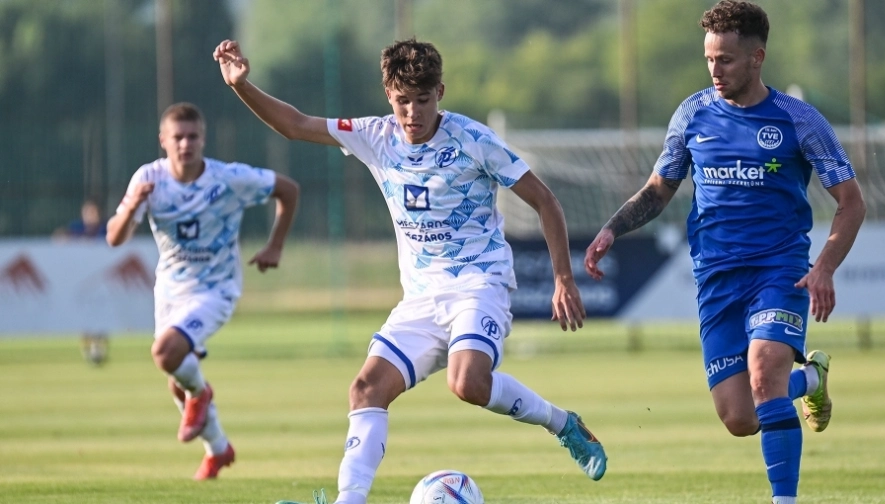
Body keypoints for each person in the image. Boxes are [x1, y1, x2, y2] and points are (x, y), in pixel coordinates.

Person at [214, 38, 607, 504]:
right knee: (365, 389)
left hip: (479, 284)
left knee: (466, 383)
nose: (412, 113)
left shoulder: (473, 140)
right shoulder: (375, 135)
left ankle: (563, 424)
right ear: (388, 96)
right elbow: (296, 125)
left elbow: (545, 201)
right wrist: (242, 86)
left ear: (440, 92)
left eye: (423, 100)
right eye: (402, 101)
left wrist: (563, 278)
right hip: (420, 299)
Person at [584, 2, 865, 503]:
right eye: (710, 59)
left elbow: (851, 202)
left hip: (779, 270)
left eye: (727, 60)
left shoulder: (798, 121)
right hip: (716, 278)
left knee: (763, 370)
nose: (715, 70)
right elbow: (658, 188)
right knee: (739, 417)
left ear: (757, 57)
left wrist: (823, 267)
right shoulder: (693, 113)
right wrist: (611, 229)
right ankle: (811, 380)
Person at [105, 102, 300, 480]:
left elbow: (288, 190)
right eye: (177, 137)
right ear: (163, 140)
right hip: (170, 290)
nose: (185, 144)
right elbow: (115, 238)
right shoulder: (148, 178)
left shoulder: (227, 179)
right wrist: (130, 206)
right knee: (177, 380)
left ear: (203, 139)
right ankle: (219, 450)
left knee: (166, 353)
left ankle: (201, 395)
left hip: (216, 289)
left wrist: (275, 245)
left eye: (192, 136)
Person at [54, 199, 111, 365]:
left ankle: (99, 346)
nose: (92, 216)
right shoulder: (77, 228)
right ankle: (88, 347)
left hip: (100, 281)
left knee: (101, 313)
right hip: (82, 281)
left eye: (94, 212)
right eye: (88, 212)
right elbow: (59, 238)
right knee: (84, 314)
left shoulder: (105, 229)